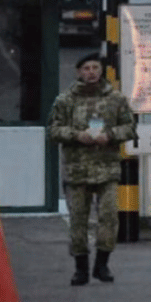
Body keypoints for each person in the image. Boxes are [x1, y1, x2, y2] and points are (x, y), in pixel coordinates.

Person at [46, 53, 138, 287]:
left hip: (107, 169)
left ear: (101, 71)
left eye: (95, 67)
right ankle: (81, 268)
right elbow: (53, 130)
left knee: (108, 217)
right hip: (77, 171)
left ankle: (102, 264)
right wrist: (77, 136)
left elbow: (130, 127)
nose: (91, 72)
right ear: (79, 72)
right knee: (78, 221)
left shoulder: (115, 99)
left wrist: (111, 135)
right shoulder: (66, 100)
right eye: (86, 68)